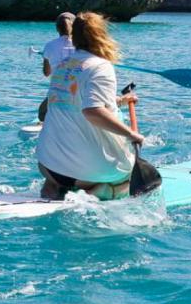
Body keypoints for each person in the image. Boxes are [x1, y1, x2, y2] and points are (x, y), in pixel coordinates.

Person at [35, 11, 144, 200]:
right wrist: (132, 134)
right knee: (129, 175)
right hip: (86, 172)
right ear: (101, 35)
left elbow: (75, 101)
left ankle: (52, 187)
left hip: (48, 166)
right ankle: (99, 190)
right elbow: (92, 111)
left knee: (61, 166)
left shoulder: (62, 66)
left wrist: (120, 101)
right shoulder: (101, 66)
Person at [36, 12, 76, 123]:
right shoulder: (82, 45)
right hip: (79, 92)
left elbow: (46, 73)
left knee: (41, 115)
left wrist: (46, 57)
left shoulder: (49, 46)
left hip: (58, 93)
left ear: (57, 28)